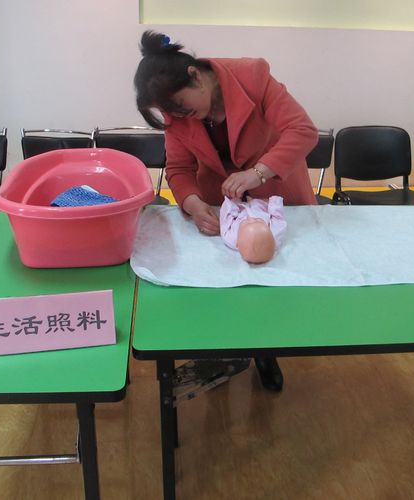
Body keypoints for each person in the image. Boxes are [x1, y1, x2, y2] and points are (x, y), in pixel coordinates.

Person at [134, 30, 318, 391]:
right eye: (170, 113)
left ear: (195, 76)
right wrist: (192, 203)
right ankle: (222, 348)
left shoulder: (253, 77)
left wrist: (258, 172)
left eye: (182, 107)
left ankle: (265, 350)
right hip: (220, 202)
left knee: (270, 280)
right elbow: (179, 168)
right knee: (222, 285)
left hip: (274, 191)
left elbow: (302, 130)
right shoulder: (176, 114)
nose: (179, 117)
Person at [220, 195, 287, 264]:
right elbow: (278, 219)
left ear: (237, 244)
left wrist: (232, 203)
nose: (251, 218)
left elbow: (226, 220)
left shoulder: (230, 237)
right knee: (259, 203)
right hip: (260, 207)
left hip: (240, 208)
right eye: (259, 221)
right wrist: (274, 203)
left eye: (247, 223)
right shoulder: (275, 235)